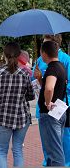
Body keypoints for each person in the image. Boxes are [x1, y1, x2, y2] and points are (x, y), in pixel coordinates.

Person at [0, 42, 35, 168]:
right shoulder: (25, 74)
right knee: (17, 150)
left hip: (3, 116)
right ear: (18, 55)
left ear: (4, 55)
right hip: (21, 115)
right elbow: (31, 96)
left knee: (1, 151)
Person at [33, 34, 70, 166]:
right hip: (53, 110)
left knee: (57, 148)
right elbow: (45, 85)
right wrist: (39, 78)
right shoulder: (50, 64)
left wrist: (48, 102)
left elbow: (50, 88)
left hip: (54, 110)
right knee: (51, 146)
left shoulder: (59, 63)